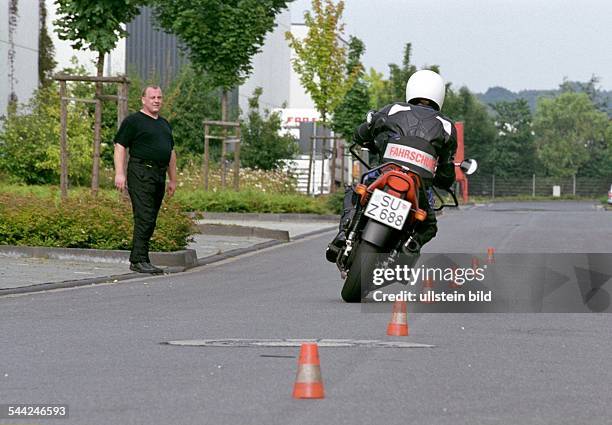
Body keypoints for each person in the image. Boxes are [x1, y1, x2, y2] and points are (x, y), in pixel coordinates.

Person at [326, 69, 457, 262]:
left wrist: (368, 138)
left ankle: (344, 234)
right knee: (428, 225)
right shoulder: (446, 126)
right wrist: (444, 179)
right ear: (440, 96)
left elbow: (362, 133)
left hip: (385, 174)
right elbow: (446, 167)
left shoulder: (394, 110)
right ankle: (408, 247)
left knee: (354, 193)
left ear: (411, 89)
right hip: (418, 186)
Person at [114, 85, 177, 274]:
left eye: (159, 97)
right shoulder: (134, 121)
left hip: (158, 174)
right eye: (152, 97)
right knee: (144, 216)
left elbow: (171, 153)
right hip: (141, 172)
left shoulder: (164, 124)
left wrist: (172, 179)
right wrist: (119, 173)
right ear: (143, 99)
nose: (156, 100)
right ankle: (137, 260)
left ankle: (144, 257)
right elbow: (120, 146)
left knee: (151, 218)